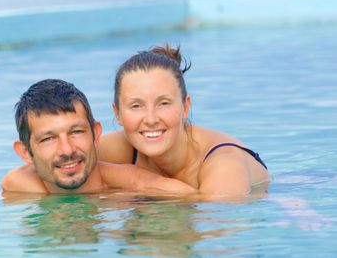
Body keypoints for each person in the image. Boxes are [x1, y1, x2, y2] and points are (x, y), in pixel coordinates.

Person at [97, 44, 271, 196]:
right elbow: (73, 167)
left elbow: (218, 218)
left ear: (185, 106)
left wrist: (139, 181)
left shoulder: (224, 163)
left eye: (163, 103)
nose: (150, 119)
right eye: (136, 106)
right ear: (117, 113)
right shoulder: (122, 147)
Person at [1, 78, 196, 194]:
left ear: (96, 134)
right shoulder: (17, 189)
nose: (67, 149)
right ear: (25, 152)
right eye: (48, 139)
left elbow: (195, 201)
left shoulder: (133, 187)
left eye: (76, 132)